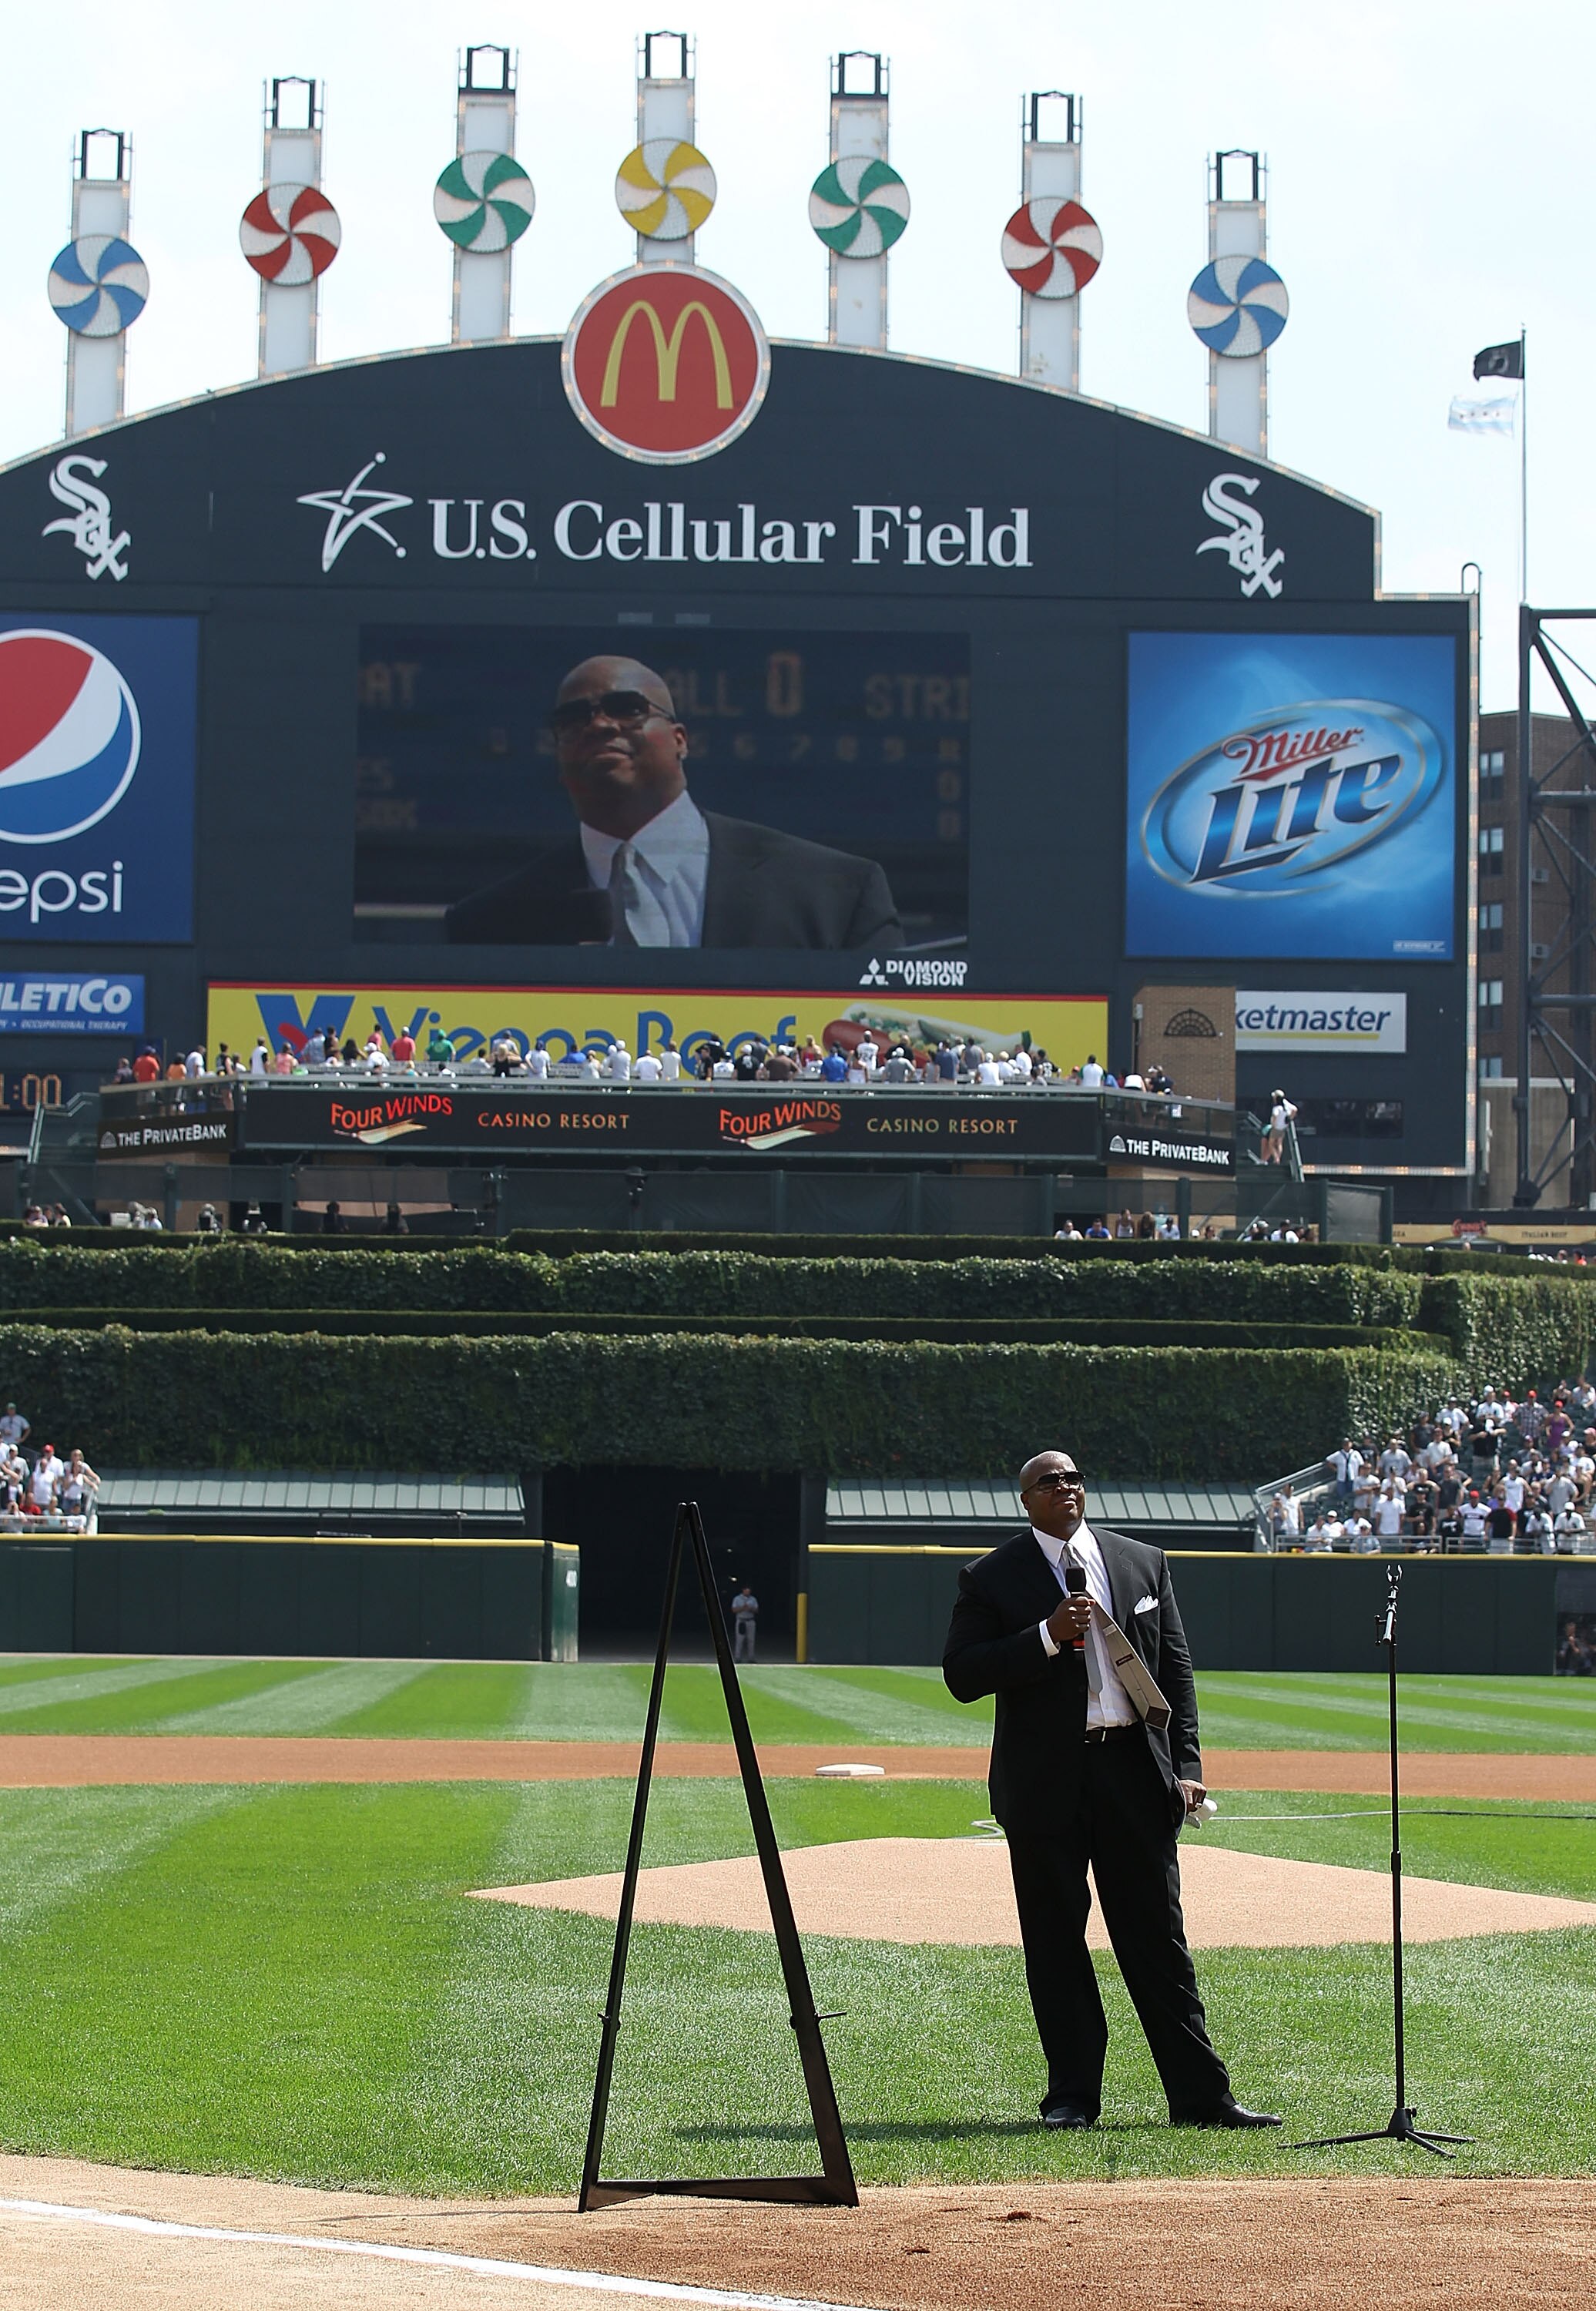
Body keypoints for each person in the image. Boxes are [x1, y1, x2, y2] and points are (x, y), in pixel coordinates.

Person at [942, 1448, 1278, 2132]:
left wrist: (1187, 1763)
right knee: (1056, 1943)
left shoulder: (1141, 1561)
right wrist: (1044, 1635)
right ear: (1026, 1500)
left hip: (1134, 1772)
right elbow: (963, 1674)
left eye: (1073, 1478)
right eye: (1049, 1482)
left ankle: (1201, 2098)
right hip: (1045, 1786)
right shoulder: (990, 1577)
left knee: (1159, 1939)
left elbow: (1175, 1669)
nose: (1065, 1488)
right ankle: (1071, 2098)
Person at [444, 655, 901, 949]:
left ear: (680, 740)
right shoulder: (488, 926)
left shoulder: (835, 896)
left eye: (627, 708)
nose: (600, 726)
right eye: (573, 719)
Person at [731, 1581, 759, 1663]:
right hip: (741, 1621)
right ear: (743, 1590)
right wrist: (743, 1608)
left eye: (749, 1590)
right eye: (746, 1590)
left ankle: (751, 1658)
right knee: (740, 1640)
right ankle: (738, 1657)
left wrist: (750, 1609)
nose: (748, 1592)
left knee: (751, 1640)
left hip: (750, 1620)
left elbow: (757, 1610)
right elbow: (734, 1610)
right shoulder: (737, 1599)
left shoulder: (753, 1599)